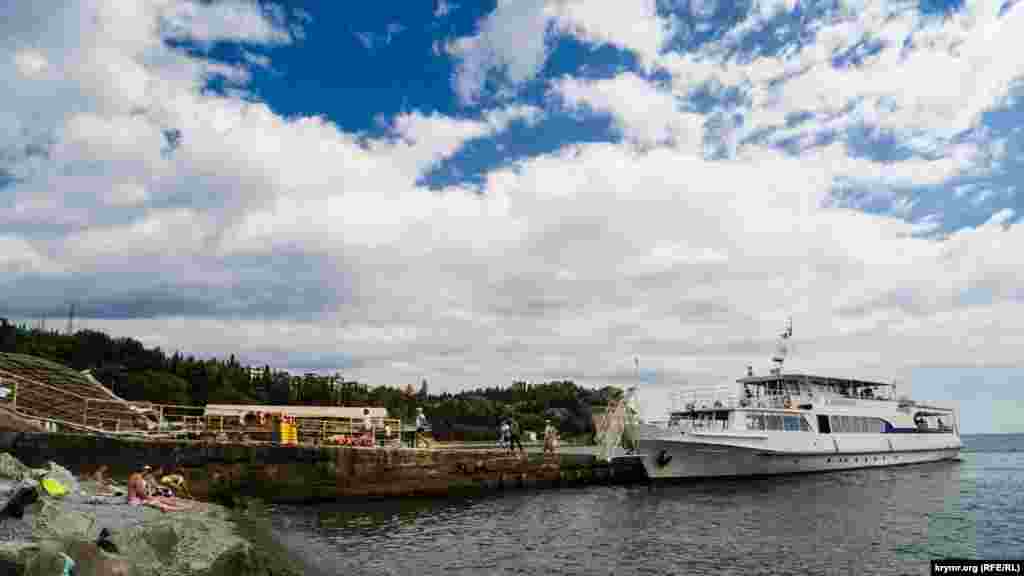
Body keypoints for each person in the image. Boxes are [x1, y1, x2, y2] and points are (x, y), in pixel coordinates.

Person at [127, 467, 192, 512]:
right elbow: (140, 492)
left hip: (134, 499)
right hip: (136, 501)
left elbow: (139, 491)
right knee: (160, 503)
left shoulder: (134, 475)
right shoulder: (138, 477)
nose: (148, 472)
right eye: (147, 470)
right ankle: (182, 509)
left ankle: (180, 506)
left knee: (160, 499)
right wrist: (149, 498)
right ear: (144, 470)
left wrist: (149, 496)